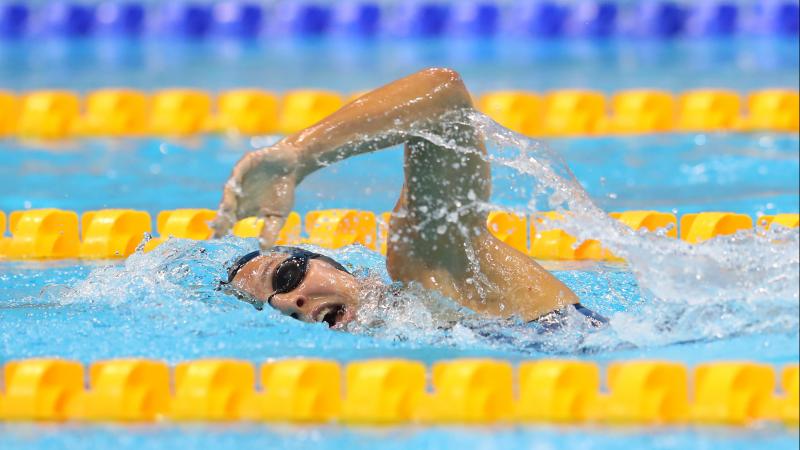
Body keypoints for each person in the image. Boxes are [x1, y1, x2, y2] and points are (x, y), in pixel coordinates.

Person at [213, 68, 606, 329]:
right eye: (270, 312)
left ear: (341, 267)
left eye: (285, 276)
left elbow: (443, 98)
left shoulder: (431, 268)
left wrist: (299, 156)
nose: (288, 304)